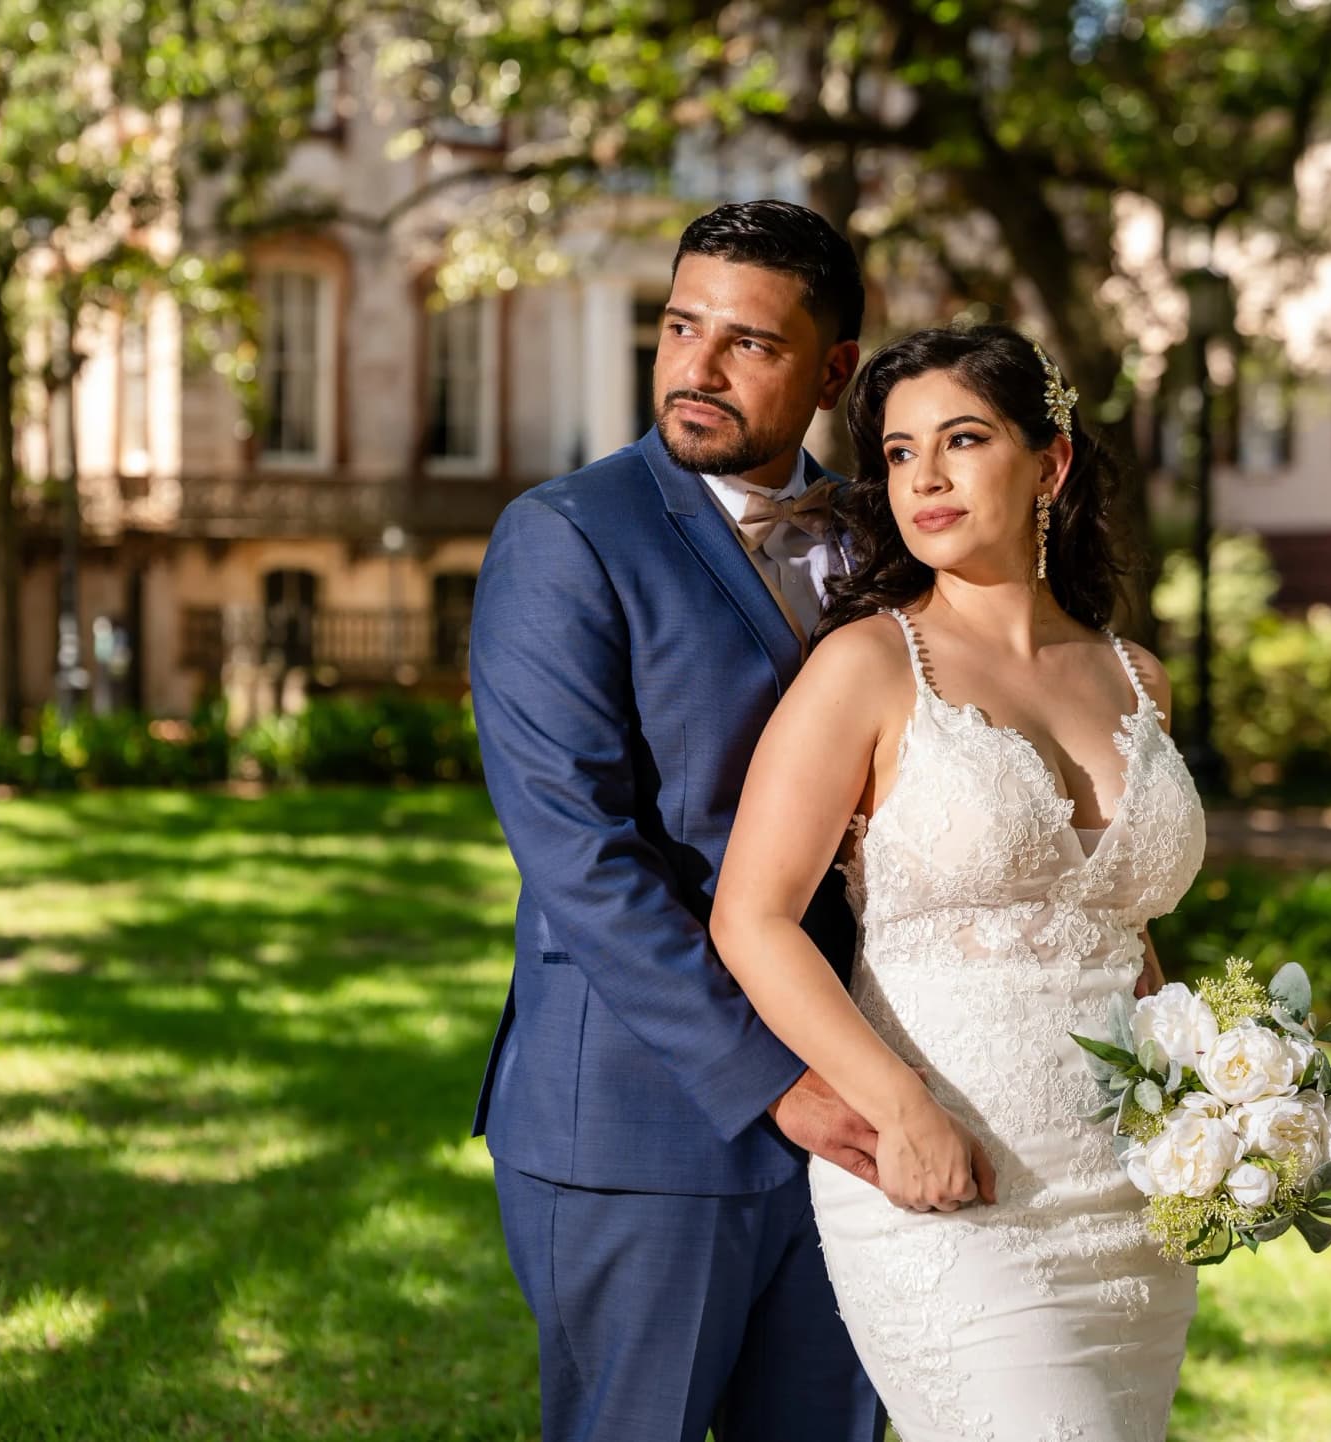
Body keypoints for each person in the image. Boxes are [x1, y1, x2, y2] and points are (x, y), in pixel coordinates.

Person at [711, 324, 1207, 1440]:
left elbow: (1123, 937)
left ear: (1053, 461)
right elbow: (752, 917)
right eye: (895, 452)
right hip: (946, 1173)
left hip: (1128, 1197)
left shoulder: (1140, 678)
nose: (923, 477)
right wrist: (898, 1109)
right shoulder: (870, 666)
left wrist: (1215, 1112)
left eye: (963, 439)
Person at [467, 200, 887, 1442]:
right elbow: (580, 857)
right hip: (643, 1120)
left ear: (834, 369)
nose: (694, 370)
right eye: (678, 325)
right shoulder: (565, 539)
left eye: (748, 343)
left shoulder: (882, 538)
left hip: (870, 1112)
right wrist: (779, 1083)